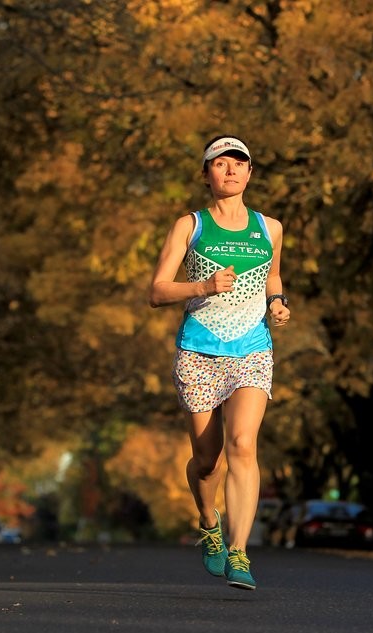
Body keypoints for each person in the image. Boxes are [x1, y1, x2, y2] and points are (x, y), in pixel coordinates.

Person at [148, 135, 290, 590]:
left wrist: (278, 302)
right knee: (208, 461)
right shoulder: (190, 225)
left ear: (250, 173)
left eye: (239, 163)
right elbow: (157, 291)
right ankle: (209, 521)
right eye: (221, 163)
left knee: (243, 445)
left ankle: (239, 551)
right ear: (206, 173)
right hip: (199, 351)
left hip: (252, 349)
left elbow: (272, 276)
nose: (230, 170)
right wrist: (203, 287)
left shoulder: (270, 228)